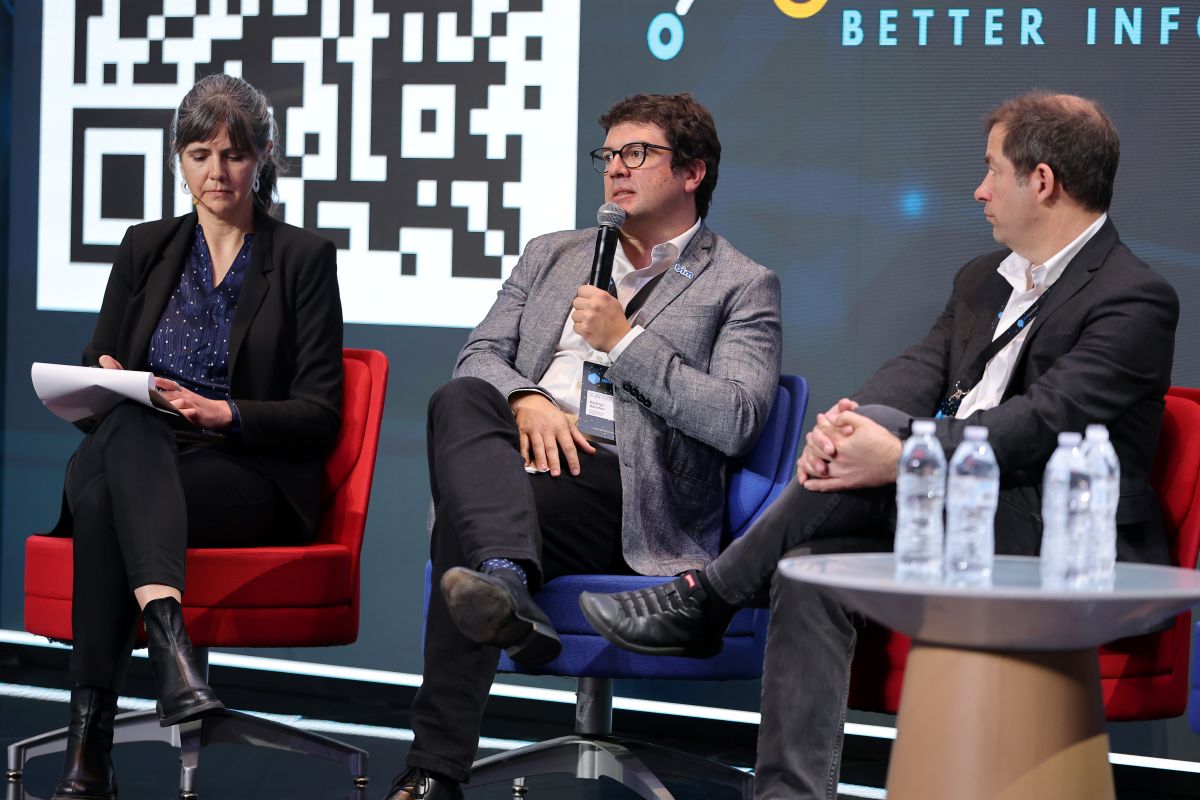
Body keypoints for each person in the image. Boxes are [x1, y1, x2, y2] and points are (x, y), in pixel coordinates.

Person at [580, 91, 1179, 798]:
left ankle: (708, 598)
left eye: (992, 171)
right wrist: (849, 428)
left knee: (886, 438)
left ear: (1041, 181)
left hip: (1052, 531)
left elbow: (1043, 423)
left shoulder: (1133, 298)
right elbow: (915, 370)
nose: (979, 190)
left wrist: (900, 455)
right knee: (810, 567)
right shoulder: (984, 280)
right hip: (945, 511)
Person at [385, 93, 782, 799]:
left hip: (628, 485)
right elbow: (479, 355)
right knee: (460, 398)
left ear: (692, 172)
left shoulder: (742, 285)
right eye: (609, 155)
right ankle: (506, 577)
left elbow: (737, 417)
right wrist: (527, 400)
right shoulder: (552, 254)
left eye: (638, 153)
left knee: (466, 523)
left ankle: (436, 770)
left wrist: (624, 342)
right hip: (519, 459)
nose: (616, 169)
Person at [45, 74, 343, 800]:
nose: (218, 172)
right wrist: (109, 376)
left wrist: (224, 414)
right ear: (179, 160)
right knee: (130, 417)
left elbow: (320, 412)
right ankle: (170, 645)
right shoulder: (145, 246)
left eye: (235, 155)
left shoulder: (302, 258)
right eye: (201, 154)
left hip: (239, 472)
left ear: (263, 158)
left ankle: (89, 747)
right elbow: (98, 362)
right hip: (135, 447)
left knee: (104, 503)